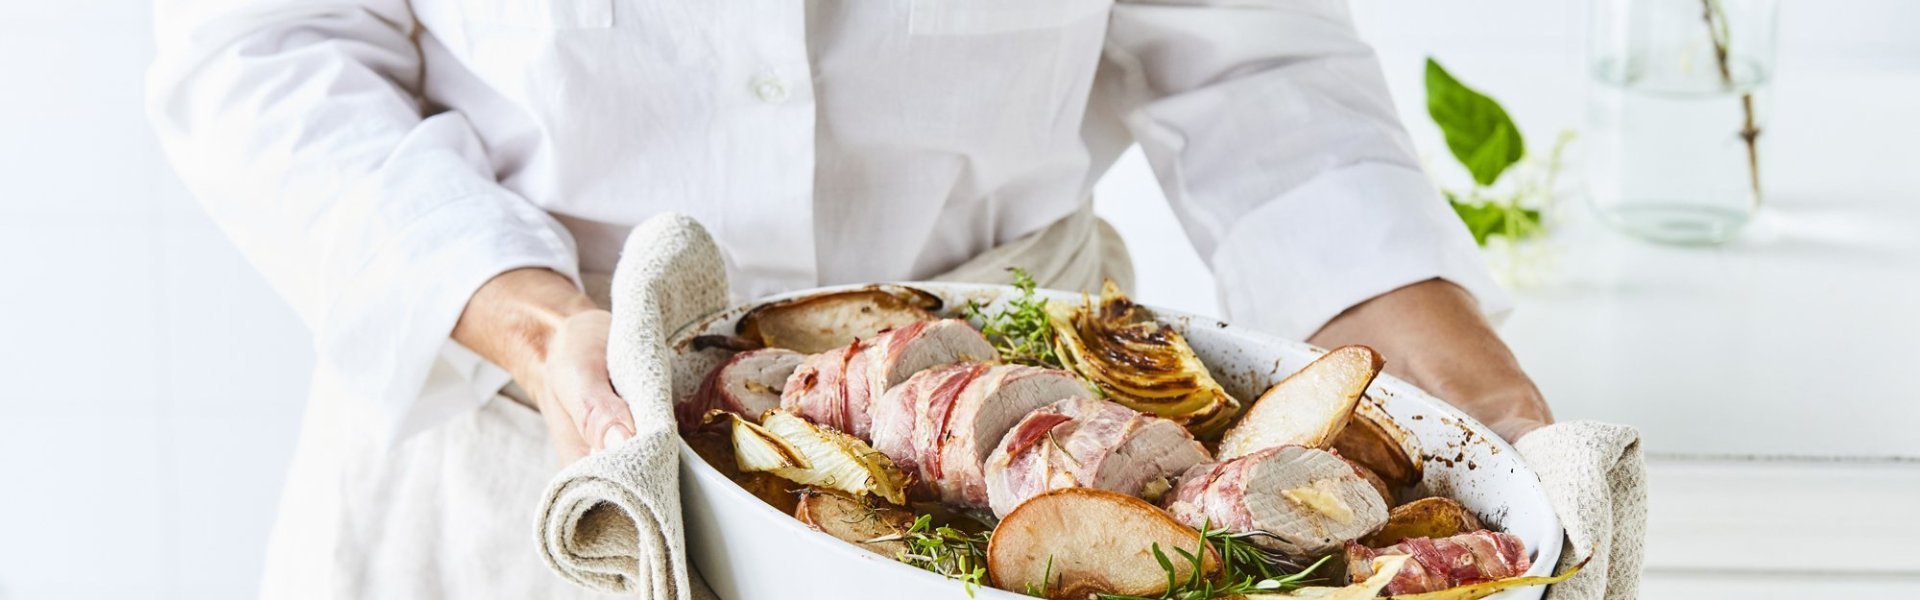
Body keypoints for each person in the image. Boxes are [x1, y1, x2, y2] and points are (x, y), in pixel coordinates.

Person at [149, 1, 1553, 597]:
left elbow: (1254, 71)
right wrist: (532, 324)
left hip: (1039, 487)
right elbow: (263, 48)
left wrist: (1487, 429)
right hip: (523, 471)